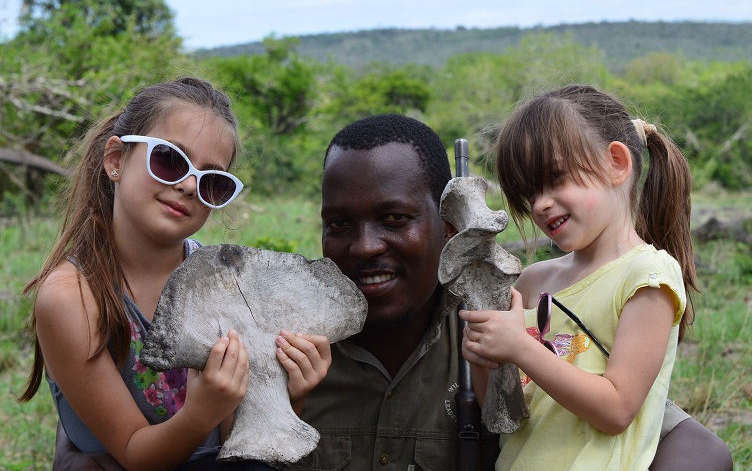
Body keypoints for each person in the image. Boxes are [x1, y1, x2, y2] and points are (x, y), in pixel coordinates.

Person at [293, 113, 731, 471]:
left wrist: (510, 350)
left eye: (394, 219)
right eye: (339, 224)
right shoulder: (289, 343)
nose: (365, 246)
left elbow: (682, 441)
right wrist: (287, 402)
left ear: (452, 230)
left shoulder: (494, 316)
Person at [19, 77, 330, 470]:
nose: (188, 185)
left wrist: (288, 395)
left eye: (212, 181)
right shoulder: (71, 298)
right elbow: (133, 452)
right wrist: (201, 413)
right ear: (116, 160)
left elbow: (237, 443)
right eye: (169, 159)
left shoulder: (222, 283)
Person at [459, 84, 730, 470]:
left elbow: (617, 409)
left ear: (616, 163)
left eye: (555, 178)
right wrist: (484, 358)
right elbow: (502, 414)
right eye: (529, 193)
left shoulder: (647, 277)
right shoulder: (531, 282)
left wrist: (519, 348)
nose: (540, 204)